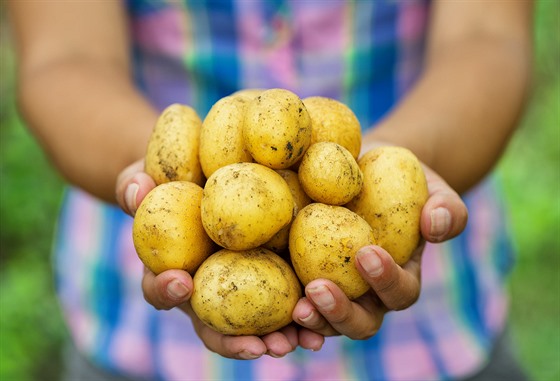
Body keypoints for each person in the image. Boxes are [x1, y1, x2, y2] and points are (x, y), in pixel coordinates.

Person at [8, 0, 533, 380]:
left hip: (436, 337)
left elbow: (489, 37)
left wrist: (397, 156)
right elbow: (63, 57)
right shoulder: (210, 185)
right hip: (137, 337)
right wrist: (154, 176)